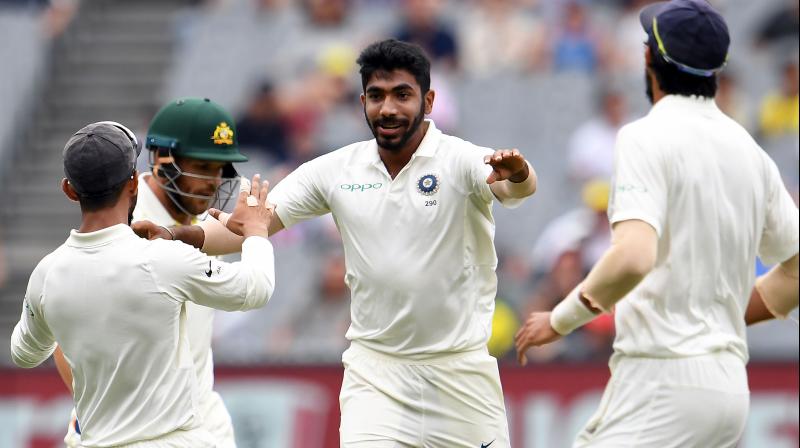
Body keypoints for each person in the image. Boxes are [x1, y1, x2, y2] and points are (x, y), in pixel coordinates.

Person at [158, 38, 537, 447]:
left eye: (402, 95)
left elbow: (517, 188)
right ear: (362, 101)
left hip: (461, 375)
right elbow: (251, 226)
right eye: (377, 96)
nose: (388, 108)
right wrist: (182, 235)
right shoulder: (336, 169)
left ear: (428, 101)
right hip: (377, 377)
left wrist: (518, 173)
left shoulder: (460, 160)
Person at [514, 1, 799, 447]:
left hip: (663, 380)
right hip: (728, 388)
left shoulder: (642, 137)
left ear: (650, 60)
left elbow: (633, 256)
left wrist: (560, 319)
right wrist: (727, 314)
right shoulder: (749, 151)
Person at [10, 121, 276, 447]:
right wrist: (256, 231)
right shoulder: (163, 259)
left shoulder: (46, 274)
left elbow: (25, 354)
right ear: (134, 182)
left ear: (69, 189)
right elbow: (256, 288)